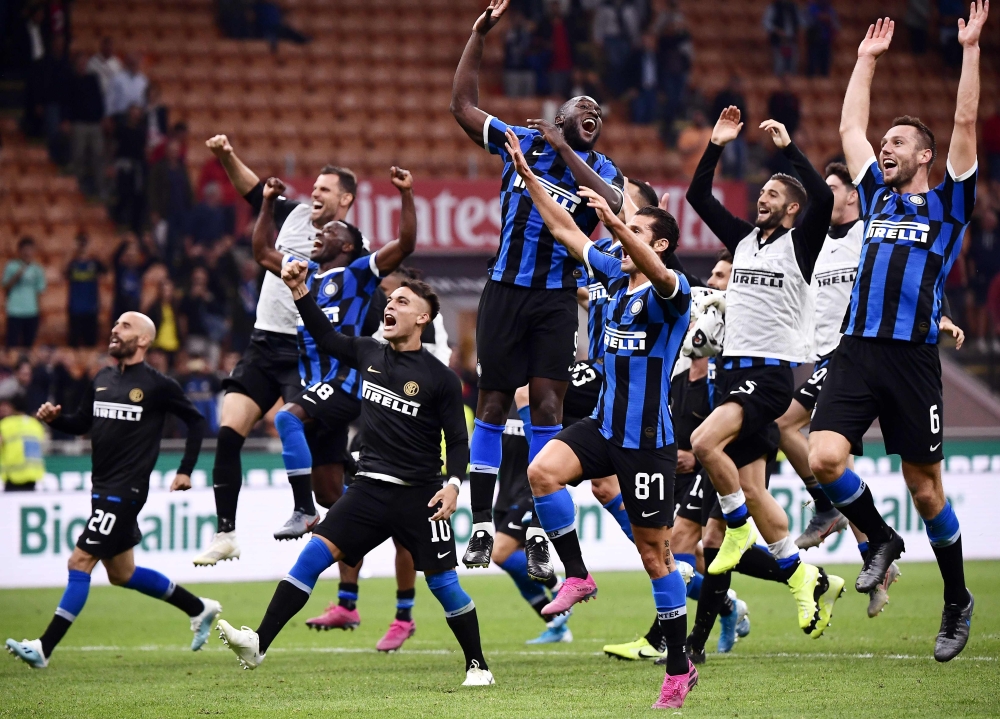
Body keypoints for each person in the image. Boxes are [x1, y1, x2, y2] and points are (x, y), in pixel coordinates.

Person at [809, 7, 987, 662]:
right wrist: (865, 60)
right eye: (883, 143)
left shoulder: (947, 205)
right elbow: (849, 125)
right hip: (857, 349)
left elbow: (966, 122)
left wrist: (969, 49)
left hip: (912, 359)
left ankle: (956, 595)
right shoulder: (874, 196)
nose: (883, 147)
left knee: (926, 486)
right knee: (824, 456)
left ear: (925, 156)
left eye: (897, 143)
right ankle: (880, 539)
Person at [217, 268, 493, 687]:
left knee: (444, 587)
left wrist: (453, 486)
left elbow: (457, 441)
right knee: (311, 557)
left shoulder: (440, 379)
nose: (390, 305)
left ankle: (478, 666)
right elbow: (326, 338)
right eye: (389, 300)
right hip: (367, 489)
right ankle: (258, 643)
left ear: (423, 318)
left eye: (402, 302)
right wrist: (300, 291)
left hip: (420, 496)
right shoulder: (367, 352)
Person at [502, 127, 695, 709]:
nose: (625, 236)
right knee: (542, 473)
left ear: (659, 245)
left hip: (647, 442)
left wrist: (615, 224)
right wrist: (525, 172)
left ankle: (679, 667)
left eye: (639, 231)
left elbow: (657, 274)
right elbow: (562, 227)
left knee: (653, 556)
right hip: (605, 427)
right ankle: (578, 574)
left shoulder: (672, 292)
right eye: (627, 229)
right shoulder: (611, 275)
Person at [451, 0, 625, 571]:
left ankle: (540, 532)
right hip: (504, 290)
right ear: (561, 111)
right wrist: (478, 35)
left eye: (598, 109)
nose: (592, 110)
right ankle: (480, 526)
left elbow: (618, 204)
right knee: (495, 402)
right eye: (583, 106)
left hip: (555, 297)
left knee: (548, 404)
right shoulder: (516, 144)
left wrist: (566, 146)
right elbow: (462, 105)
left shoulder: (603, 170)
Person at [686, 108, 844, 638]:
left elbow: (823, 198)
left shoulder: (802, 244)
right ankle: (806, 580)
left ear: (793, 208)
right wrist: (716, 145)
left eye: (774, 195)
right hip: (731, 374)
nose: (763, 199)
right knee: (754, 490)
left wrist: (788, 149)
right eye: (762, 193)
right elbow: (698, 197)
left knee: (705, 443)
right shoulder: (743, 242)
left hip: (770, 374)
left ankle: (734, 532)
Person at [5, 312, 220, 669]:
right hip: (101, 487)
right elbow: (81, 424)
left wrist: (185, 470)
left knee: (79, 561)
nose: (115, 330)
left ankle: (43, 647)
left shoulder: (157, 384)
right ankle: (199, 608)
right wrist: (56, 419)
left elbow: (196, 421)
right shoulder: (102, 377)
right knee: (122, 574)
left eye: (125, 326)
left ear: (144, 341)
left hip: (126, 490)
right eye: (116, 325)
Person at [191, 135, 357, 566]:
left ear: (345, 199)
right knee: (228, 433)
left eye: (324, 189)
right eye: (315, 187)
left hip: (307, 354)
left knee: (328, 485)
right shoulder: (294, 215)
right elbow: (251, 190)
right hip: (265, 343)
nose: (314, 194)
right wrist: (227, 155)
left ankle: (348, 560)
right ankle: (226, 532)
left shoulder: (350, 248)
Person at [246, 170, 414, 540]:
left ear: (349, 245)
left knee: (288, 420)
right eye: (320, 234)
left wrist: (406, 194)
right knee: (330, 494)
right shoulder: (303, 277)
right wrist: (267, 203)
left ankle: (302, 510)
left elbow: (404, 243)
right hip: (317, 385)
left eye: (330, 233)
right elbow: (261, 251)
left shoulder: (356, 274)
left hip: (345, 383)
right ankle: (362, 543)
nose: (320, 235)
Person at [63, 52, 106, 200]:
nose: (82, 66)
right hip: (79, 124)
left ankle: (101, 188)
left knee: (98, 156)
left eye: (84, 63)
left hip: (94, 124)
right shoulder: (71, 81)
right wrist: (67, 120)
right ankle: (78, 187)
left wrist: (101, 117)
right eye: (80, 63)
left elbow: (99, 99)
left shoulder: (93, 79)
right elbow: (67, 102)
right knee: (78, 156)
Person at [3, 237, 46, 348]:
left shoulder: (38, 269)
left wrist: (40, 310)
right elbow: (5, 287)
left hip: (32, 311)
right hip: (15, 311)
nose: (27, 252)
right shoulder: (11, 266)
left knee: (29, 345)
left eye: (30, 249)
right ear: (20, 251)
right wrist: (17, 275)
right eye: (25, 249)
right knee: (12, 345)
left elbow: (40, 291)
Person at [66, 232, 107, 348]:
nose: (82, 247)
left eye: (85, 244)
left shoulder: (94, 263)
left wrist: (95, 251)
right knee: (73, 344)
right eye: (80, 244)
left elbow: (106, 269)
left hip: (91, 308)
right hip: (75, 308)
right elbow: (62, 270)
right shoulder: (72, 263)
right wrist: (71, 251)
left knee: (91, 343)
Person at [0, 392, 46, 492]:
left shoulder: (5, 425)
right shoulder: (35, 425)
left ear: (13, 407)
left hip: (13, 477)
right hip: (33, 475)